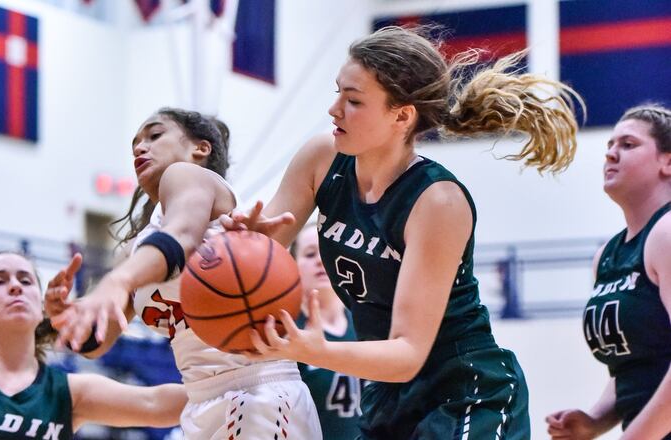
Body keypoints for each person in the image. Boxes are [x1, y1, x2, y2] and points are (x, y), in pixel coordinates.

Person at [221, 25, 583, 438]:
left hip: (465, 391)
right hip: (388, 390)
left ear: (401, 115)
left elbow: (409, 352)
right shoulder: (321, 158)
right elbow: (256, 260)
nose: (334, 109)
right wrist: (241, 245)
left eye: (353, 100)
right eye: (337, 92)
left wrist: (311, 349)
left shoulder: (437, 201)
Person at [47, 108, 321, 439]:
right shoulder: (136, 250)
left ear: (199, 149)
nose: (139, 147)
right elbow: (97, 344)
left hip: (258, 389)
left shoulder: (189, 175)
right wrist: (70, 320)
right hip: (200, 398)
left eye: (154, 135)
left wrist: (116, 281)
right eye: (134, 142)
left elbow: (181, 236)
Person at [0, 251, 187, 439]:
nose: (15, 285)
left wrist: (229, 365)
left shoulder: (69, 392)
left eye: (25, 281)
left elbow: (157, 404)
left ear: (41, 307)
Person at [546, 104, 671, 440]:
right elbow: (631, 365)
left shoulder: (667, 233)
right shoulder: (607, 255)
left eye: (628, 145)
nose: (612, 154)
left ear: (668, 161)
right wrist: (596, 420)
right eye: (610, 146)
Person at [292, 222, 362, 439]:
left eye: (326, 251)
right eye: (311, 254)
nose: (321, 261)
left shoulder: (367, 323)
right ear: (293, 265)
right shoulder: (288, 330)